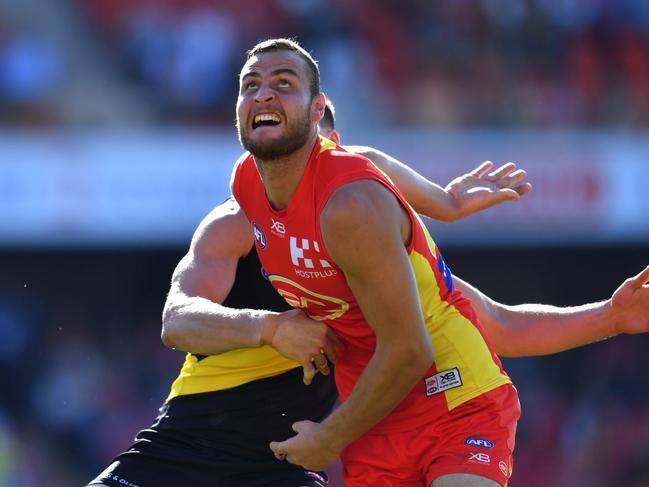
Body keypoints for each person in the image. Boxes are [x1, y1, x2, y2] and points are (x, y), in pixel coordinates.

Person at [88, 67, 649, 487]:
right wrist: (271, 327)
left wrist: (610, 316)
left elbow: (488, 322)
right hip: (191, 443)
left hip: (301, 458)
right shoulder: (239, 223)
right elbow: (177, 318)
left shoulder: (362, 222)